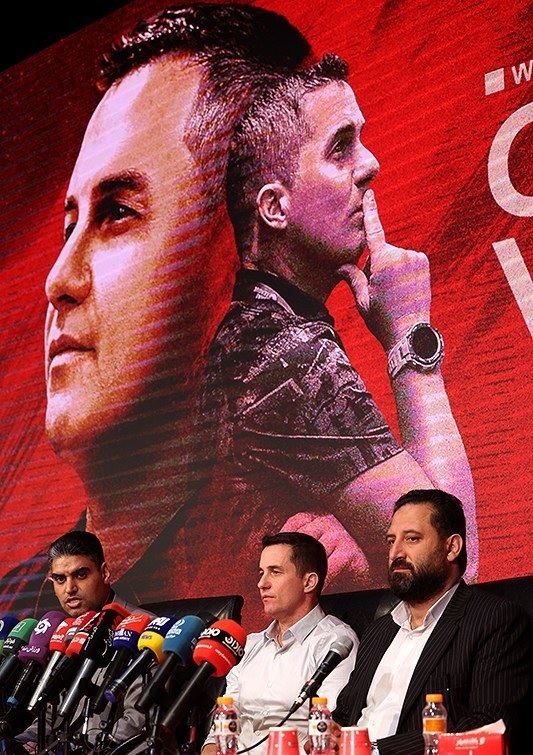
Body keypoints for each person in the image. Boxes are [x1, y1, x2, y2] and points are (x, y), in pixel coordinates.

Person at [0, 4, 312, 621]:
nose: (57, 280)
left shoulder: (300, 582)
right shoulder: (13, 605)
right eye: (68, 225)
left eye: (117, 212)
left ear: (246, 252)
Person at [195, 53, 478, 603]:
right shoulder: (286, 352)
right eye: (340, 147)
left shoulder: (245, 334)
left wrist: (360, 541)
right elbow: (452, 563)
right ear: (274, 208)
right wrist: (410, 334)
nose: (370, 165)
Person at [332, 489, 532, 755]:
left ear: (451, 547)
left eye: (412, 539)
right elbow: (345, 713)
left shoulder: (495, 619)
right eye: (391, 541)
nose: (395, 553)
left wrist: (374, 750)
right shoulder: (379, 631)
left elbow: (488, 725)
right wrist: (329, 735)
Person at [201, 532, 358, 755]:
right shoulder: (249, 645)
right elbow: (222, 730)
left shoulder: (335, 642)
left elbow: (329, 732)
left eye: (275, 572)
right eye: (261, 573)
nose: (261, 584)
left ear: (309, 582)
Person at [15, 530, 150, 752]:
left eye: (80, 575)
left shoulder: (144, 630)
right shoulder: (62, 633)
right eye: (60, 579)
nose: (70, 589)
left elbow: (138, 721)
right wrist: (19, 745)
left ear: (104, 573)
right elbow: (49, 717)